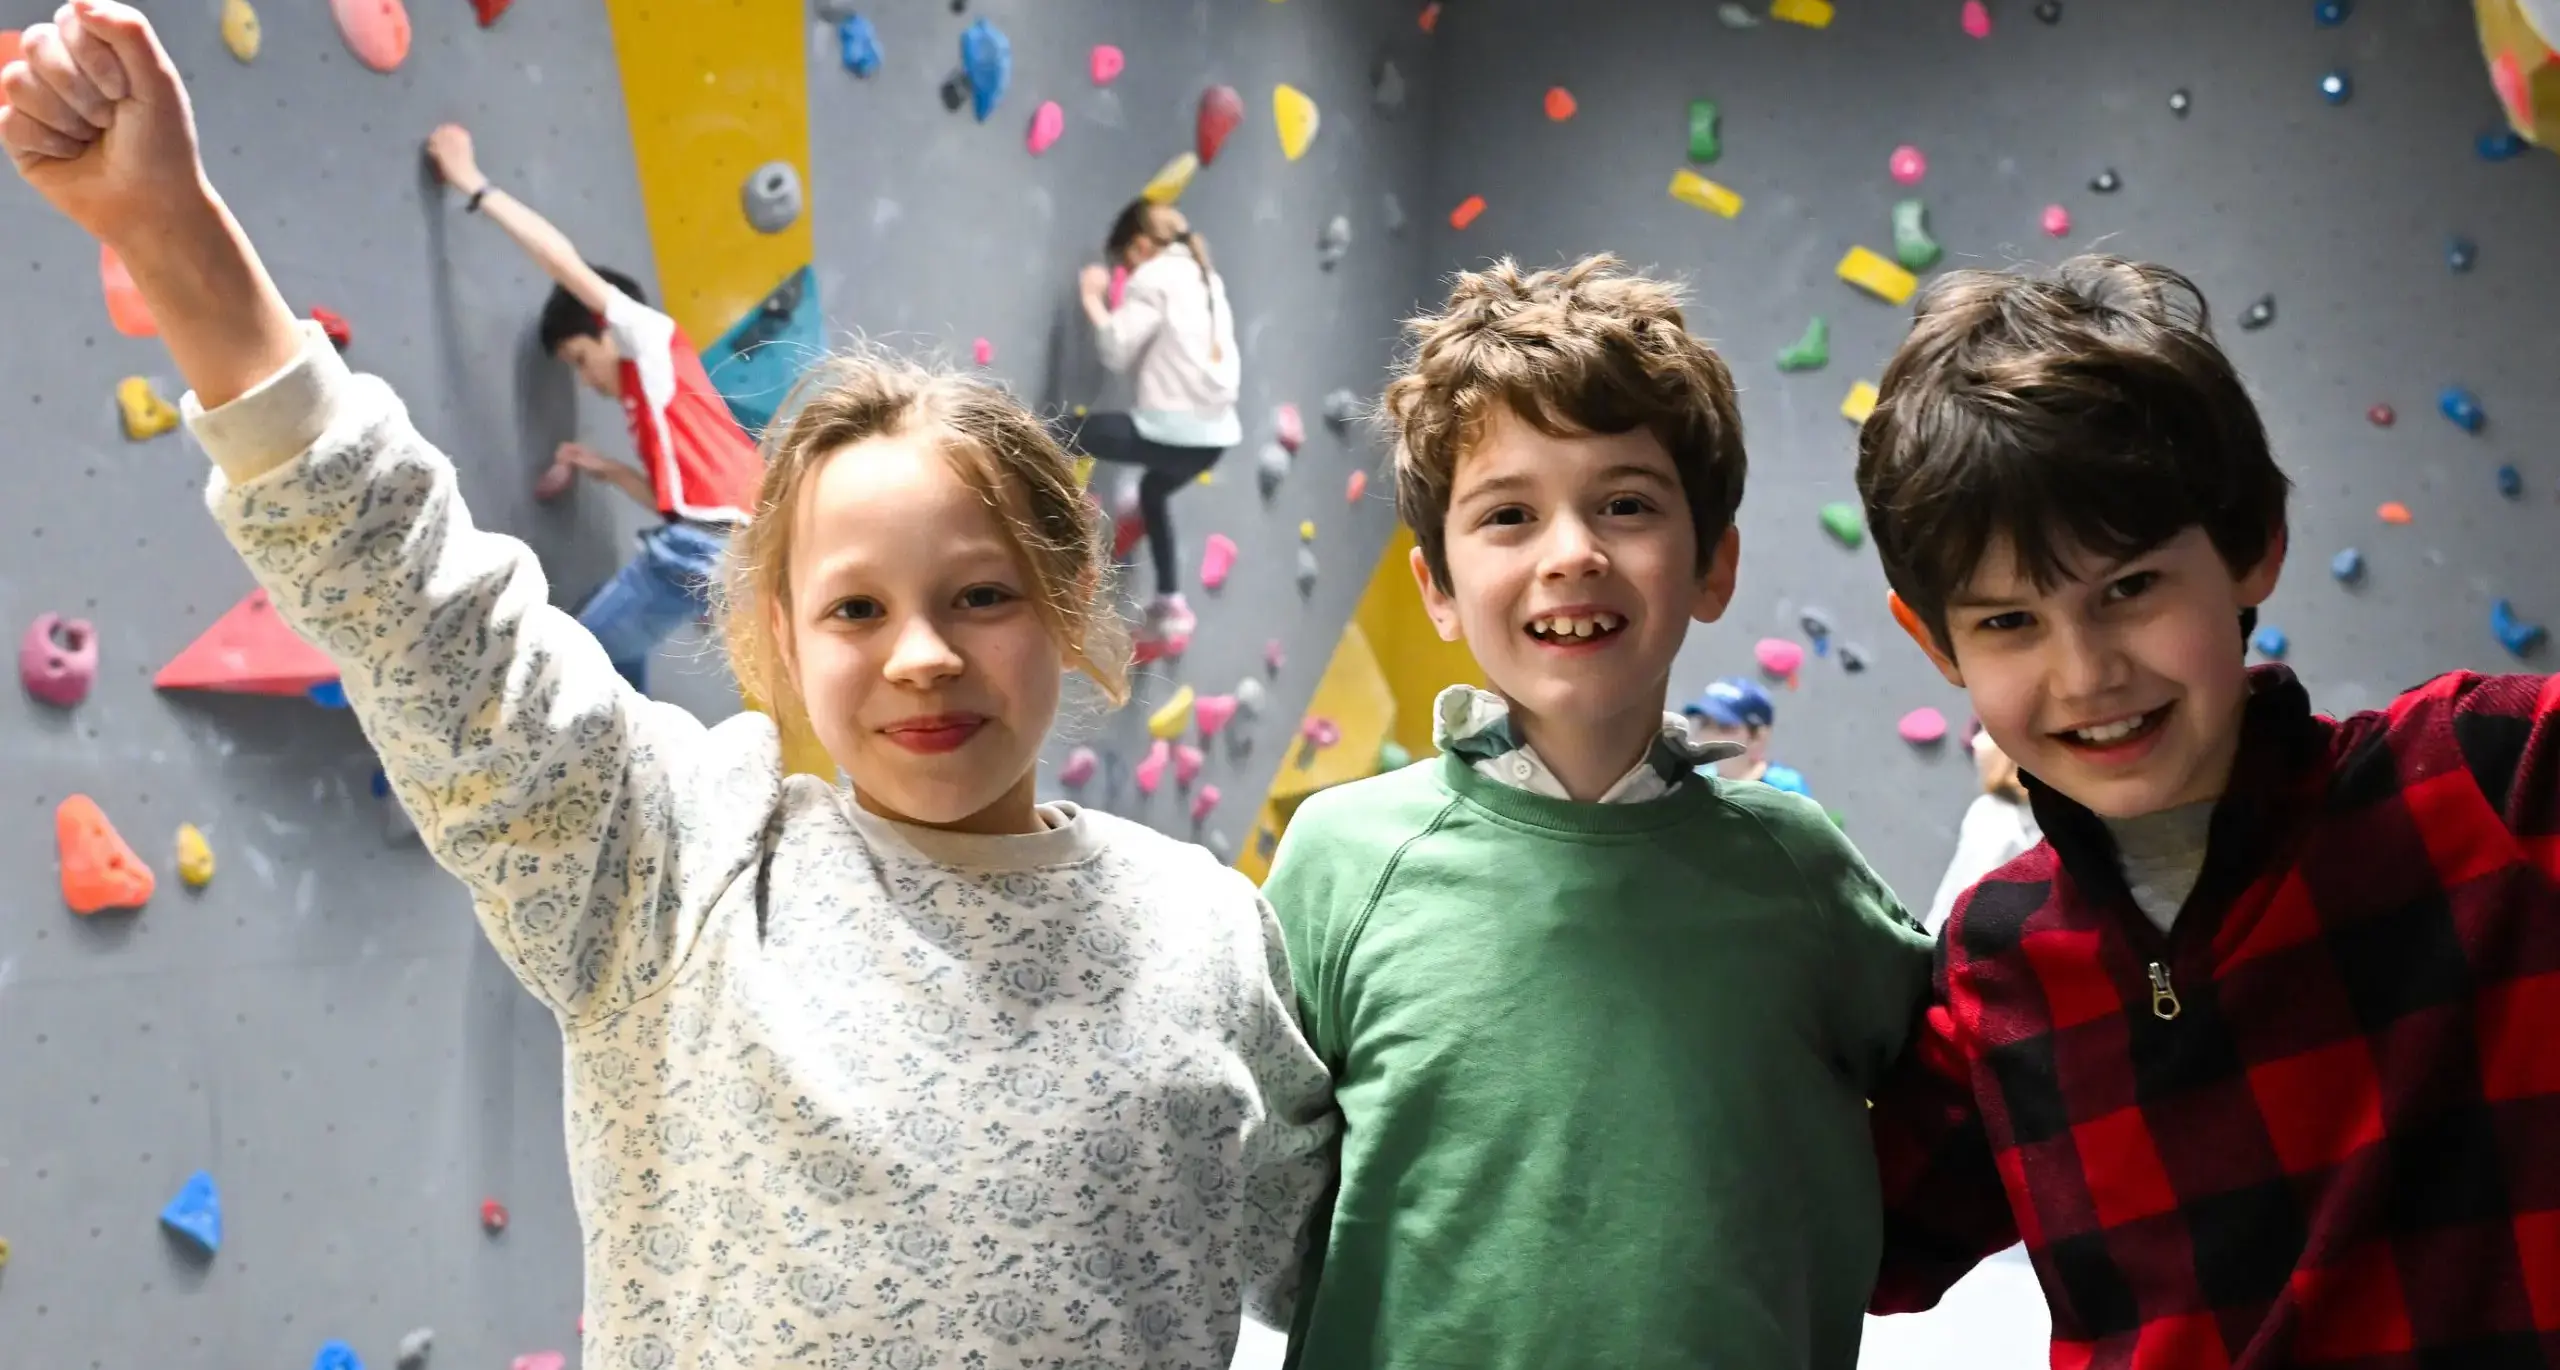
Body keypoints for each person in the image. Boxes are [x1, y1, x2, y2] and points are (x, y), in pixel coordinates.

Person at [0, 12, 1338, 1368]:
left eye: (982, 595)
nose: (921, 654)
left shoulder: (1206, 933)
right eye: (856, 609)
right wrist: (168, 229)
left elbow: (1354, 1265)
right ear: (783, 637)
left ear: (1070, 602)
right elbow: (420, 606)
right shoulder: (671, 864)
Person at [1856, 255, 2560, 1365]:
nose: (2085, 673)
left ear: (2253, 546)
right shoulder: (1992, 966)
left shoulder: (2486, 779)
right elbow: (1831, 1248)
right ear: (1933, 640)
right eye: (2008, 622)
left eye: (2129, 588)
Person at [1261, 254, 1933, 1370]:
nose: (1571, 552)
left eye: (1625, 504)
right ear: (1437, 587)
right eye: (1508, 514)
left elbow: (1959, 1117)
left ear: (1712, 565)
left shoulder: (1803, 877)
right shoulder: (1341, 862)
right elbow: (1258, 1211)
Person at [422, 122, 763, 696]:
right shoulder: (656, 399)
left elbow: (563, 264)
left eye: (581, 359)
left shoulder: (650, 340)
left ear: (607, 327)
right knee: (612, 676)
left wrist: (474, 184)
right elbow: (678, 503)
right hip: (723, 547)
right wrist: (603, 468)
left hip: (709, 546)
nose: (586, 379)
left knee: (563, 664)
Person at [1057, 198, 1241, 659]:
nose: (1127, 272)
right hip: (1214, 440)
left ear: (1140, 247)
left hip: (1171, 435)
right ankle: (1170, 605)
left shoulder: (1154, 276)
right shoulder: (1205, 277)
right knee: (1153, 491)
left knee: (1060, 433)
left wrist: (1093, 298)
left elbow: (1117, 349)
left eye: (1126, 263)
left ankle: (1057, 527)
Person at [1920, 720, 2040, 934]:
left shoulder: (1993, 814)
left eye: (1985, 732)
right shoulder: (2047, 818)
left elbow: (1961, 905)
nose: (1975, 741)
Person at [1681, 674, 1812, 795]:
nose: (1710, 736)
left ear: (1758, 736)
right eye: (1705, 724)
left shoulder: (1785, 788)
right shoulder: (1699, 781)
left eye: (1725, 727)